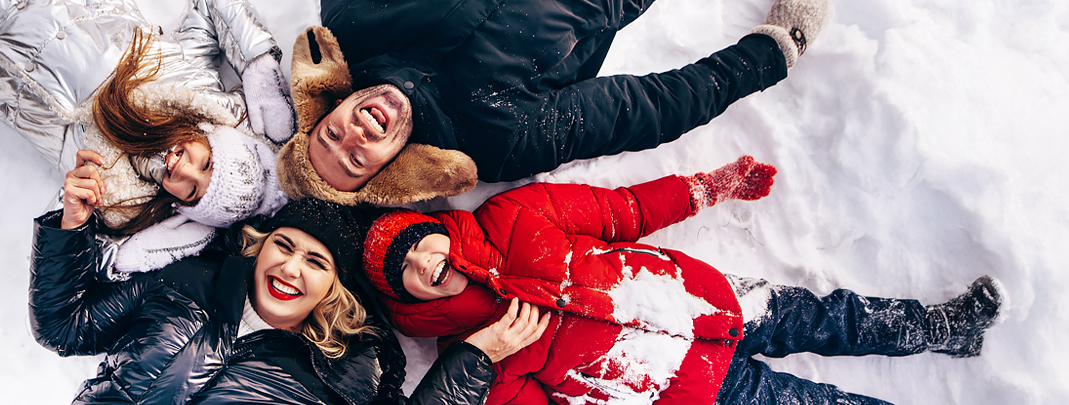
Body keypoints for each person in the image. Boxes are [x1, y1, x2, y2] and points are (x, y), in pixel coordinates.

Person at [356, 156, 1008, 404]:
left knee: (832, 315)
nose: (418, 263)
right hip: (695, 387)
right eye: (402, 275)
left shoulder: (514, 215)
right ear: (408, 302)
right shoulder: (473, 359)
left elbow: (622, 211)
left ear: (435, 225)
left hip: (710, 298)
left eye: (415, 242)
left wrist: (705, 188)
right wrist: (490, 355)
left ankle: (942, 328)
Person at [275, 0, 831, 206]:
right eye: (356, 160)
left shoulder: (353, 20)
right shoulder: (495, 139)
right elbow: (644, 108)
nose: (356, 135)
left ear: (329, 109)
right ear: (388, 171)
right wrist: (770, 55)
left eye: (331, 134)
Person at [30, 194, 551, 404]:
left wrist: (473, 360)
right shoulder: (184, 285)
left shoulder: (350, 373)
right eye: (283, 245)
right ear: (258, 250)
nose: (291, 267)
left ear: (334, 291)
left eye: (316, 263)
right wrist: (69, 228)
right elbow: (64, 326)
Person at [2, 0, 296, 273]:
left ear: (181, 206)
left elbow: (64, 270)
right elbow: (212, 5)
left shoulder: (113, 198)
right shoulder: (194, 83)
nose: (184, 170)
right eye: (206, 163)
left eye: (192, 191)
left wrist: (72, 222)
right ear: (212, 137)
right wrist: (259, 67)